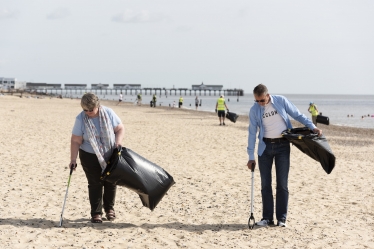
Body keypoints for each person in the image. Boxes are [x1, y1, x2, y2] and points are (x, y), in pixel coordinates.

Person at [247, 84, 322, 228]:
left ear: (268, 96)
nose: (260, 103)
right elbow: (252, 133)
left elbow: (298, 114)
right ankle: (267, 218)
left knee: (282, 183)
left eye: (262, 100)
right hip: (265, 148)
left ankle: (281, 218)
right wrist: (250, 156)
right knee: (265, 184)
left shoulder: (280, 101)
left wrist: (313, 127)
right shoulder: (254, 110)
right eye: (257, 101)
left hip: (283, 146)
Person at [70, 93, 125, 223]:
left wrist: (118, 142)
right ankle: (96, 213)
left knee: (110, 181)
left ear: (97, 106)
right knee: (95, 183)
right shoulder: (80, 119)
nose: (88, 112)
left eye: (91, 110)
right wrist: (73, 160)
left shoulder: (109, 113)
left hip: (109, 153)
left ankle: (109, 209)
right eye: (85, 110)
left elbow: (120, 129)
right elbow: (76, 140)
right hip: (89, 155)